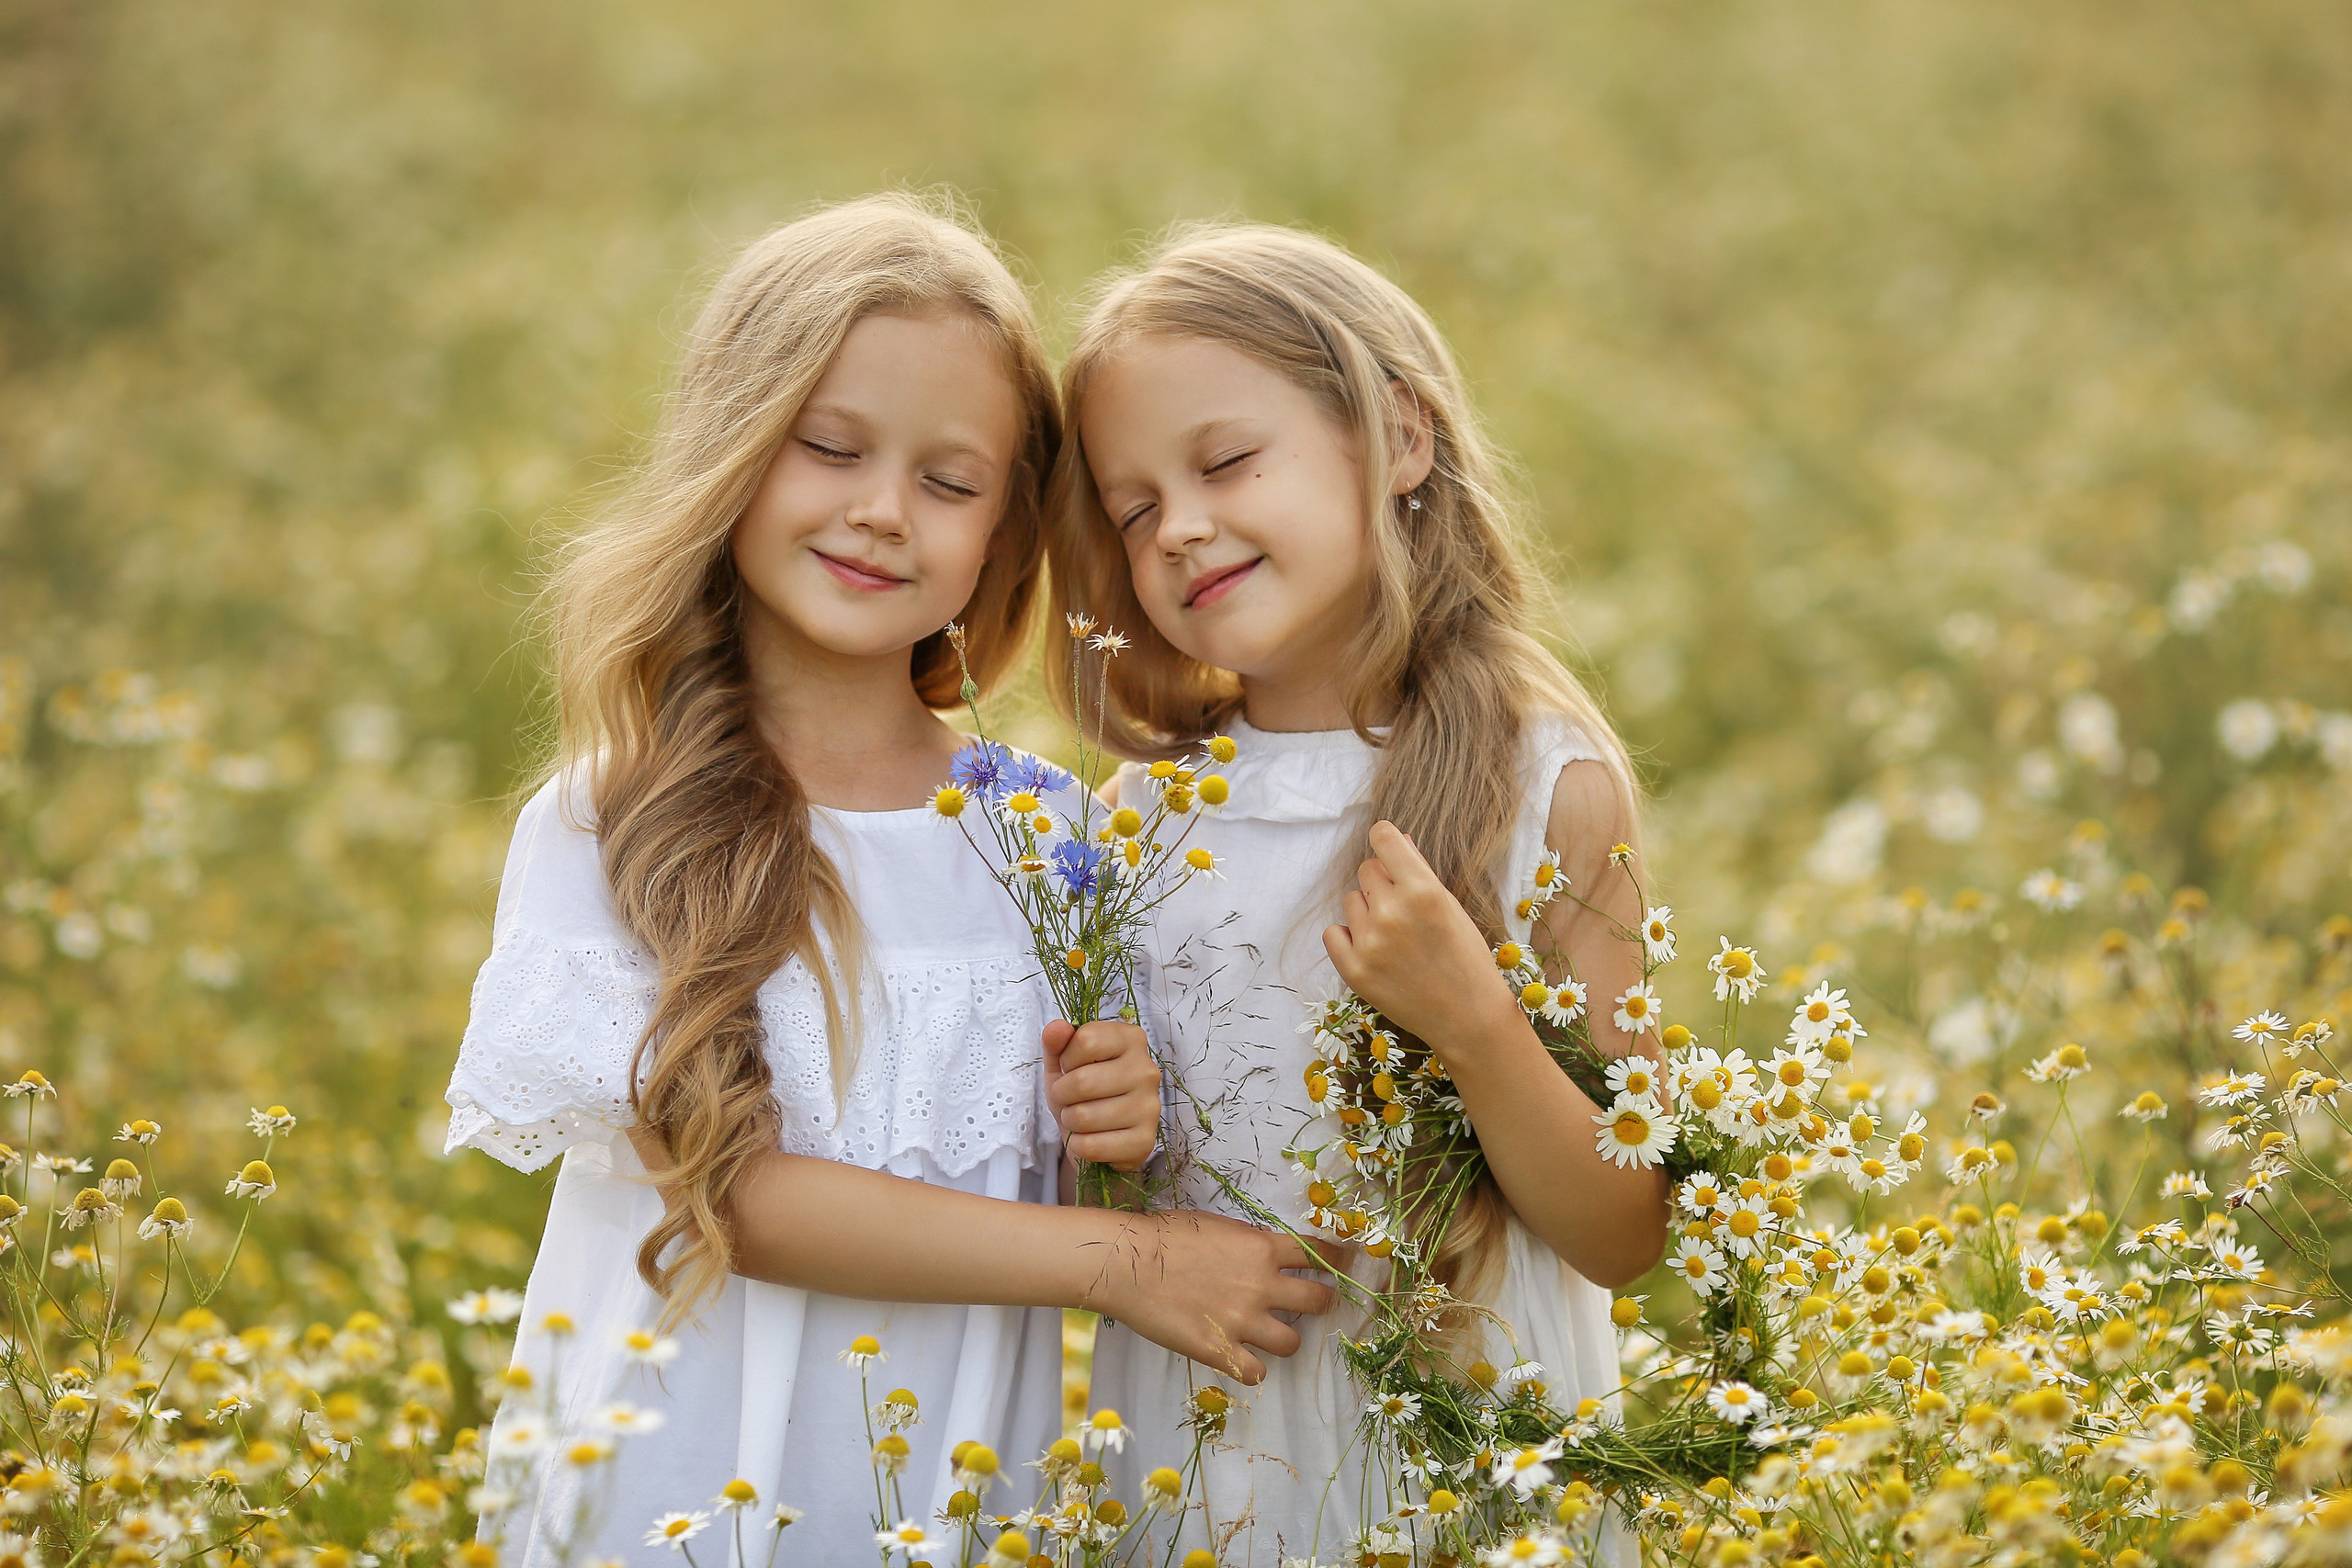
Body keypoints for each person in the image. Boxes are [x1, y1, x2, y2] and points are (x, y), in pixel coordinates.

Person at [444, 196, 1332, 1565]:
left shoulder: (1047, 836)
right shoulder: (617, 819)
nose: (881, 511)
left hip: (955, 1507)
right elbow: (733, 1195)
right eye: (832, 447)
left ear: (1005, 534)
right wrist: (1129, 1265)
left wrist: (1122, 1124)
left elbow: (1052, 1179)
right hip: (666, 1501)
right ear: (734, 450)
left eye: (950, 480)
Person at [1046, 222, 1670, 1562]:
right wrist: (1114, 1128)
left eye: (1224, 463)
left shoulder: (1543, 783)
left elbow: (1625, 1230)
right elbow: (1120, 1208)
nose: (1182, 528)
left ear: (1399, 439)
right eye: (1134, 507)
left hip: (1479, 1459)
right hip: (1220, 1463)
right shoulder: (1141, 820)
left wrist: (1479, 1024)